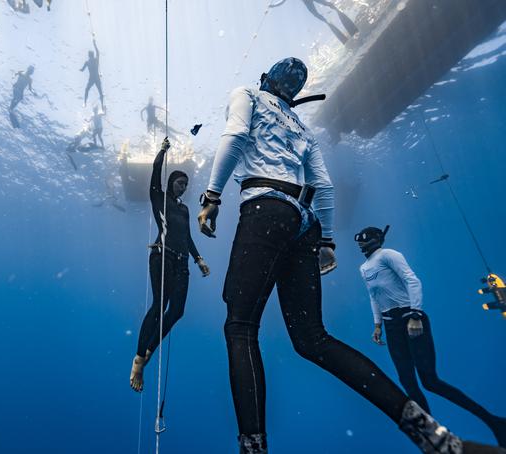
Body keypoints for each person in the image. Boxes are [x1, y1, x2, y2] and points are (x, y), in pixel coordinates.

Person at [196, 57, 503, 453]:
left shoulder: (247, 95)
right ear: (294, 94)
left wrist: (212, 195)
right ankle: (432, 435)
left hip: (265, 209)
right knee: (313, 339)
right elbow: (323, 186)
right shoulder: (302, 127)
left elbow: (236, 136)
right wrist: (325, 242)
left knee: (240, 327)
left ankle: (253, 447)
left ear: (266, 79)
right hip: (303, 222)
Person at [356, 225, 506, 447]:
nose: (360, 242)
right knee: (407, 381)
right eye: (359, 239)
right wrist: (377, 324)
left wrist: (415, 315)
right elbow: (373, 296)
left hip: (410, 317)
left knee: (430, 381)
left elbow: (412, 280)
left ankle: (494, 422)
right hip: (390, 325)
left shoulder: (389, 255)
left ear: (377, 238)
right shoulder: (364, 267)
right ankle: (434, 440)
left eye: (364, 238)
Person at [130, 137, 210, 392]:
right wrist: (162, 152)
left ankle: (150, 350)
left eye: (185, 185)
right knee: (159, 305)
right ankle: (139, 359)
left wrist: (199, 259)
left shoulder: (185, 209)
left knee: (178, 311)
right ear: (170, 183)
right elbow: (155, 174)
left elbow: (187, 237)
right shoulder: (158, 198)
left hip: (182, 261)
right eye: (179, 183)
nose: (182, 188)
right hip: (161, 256)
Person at [269, 0, 358, 45]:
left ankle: (336, 17)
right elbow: (281, 2)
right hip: (308, 3)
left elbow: (281, 2)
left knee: (326, 9)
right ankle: (332, 21)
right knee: (321, 15)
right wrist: (273, 5)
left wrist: (273, 5)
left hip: (309, 2)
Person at [80, 38, 104, 109]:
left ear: (90, 56)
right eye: (90, 56)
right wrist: (94, 44)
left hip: (94, 79)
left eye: (90, 56)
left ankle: (85, 103)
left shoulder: (89, 61)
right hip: (95, 79)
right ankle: (85, 103)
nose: (90, 57)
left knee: (97, 91)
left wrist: (94, 43)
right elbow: (83, 69)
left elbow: (82, 69)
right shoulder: (89, 61)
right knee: (99, 92)